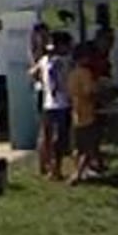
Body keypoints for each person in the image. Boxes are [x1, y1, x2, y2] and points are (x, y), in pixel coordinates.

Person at [35, 31, 73, 181]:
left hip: (48, 102)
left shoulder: (45, 60)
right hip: (61, 103)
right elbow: (63, 82)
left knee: (47, 136)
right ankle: (55, 169)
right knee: (59, 138)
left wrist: (43, 84)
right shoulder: (63, 62)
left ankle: (44, 166)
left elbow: (34, 73)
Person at [68, 42, 108, 183]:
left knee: (78, 147)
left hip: (76, 112)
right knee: (89, 146)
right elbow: (89, 92)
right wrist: (100, 96)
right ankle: (78, 174)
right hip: (87, 113)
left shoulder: (72, 73)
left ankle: (85, 169)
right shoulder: (85, 73)